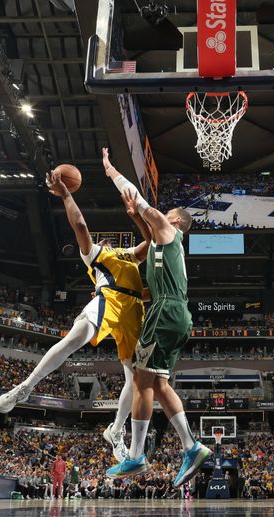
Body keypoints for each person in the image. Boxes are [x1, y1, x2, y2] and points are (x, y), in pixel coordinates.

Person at [0, 169, 152, 463]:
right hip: (110, 299)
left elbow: (152, 240)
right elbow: (79, 224)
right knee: (75, 338)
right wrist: (66, 194)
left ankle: (116, 430)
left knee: (135, 376)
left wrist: (137, 216)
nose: (106, 241)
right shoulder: (94, 255)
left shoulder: (130, 255)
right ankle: (25, 387)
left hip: (134, 312)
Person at [102, 147, 212, 488]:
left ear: (176, 220)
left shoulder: (169, 229)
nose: (159, 214)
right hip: (178, 314)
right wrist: (135, 216)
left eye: (165, 213)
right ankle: (191, 446)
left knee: (140, 380)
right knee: (160, 383)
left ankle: (135, 455)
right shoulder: (164, 244)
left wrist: (111, 171)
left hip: (164, 312)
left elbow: (139, 197)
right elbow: (147, 238)